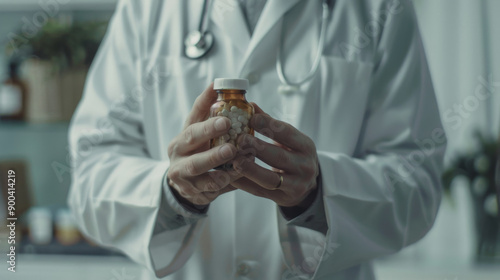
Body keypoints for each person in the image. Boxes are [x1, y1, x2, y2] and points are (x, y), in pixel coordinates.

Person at [68, 0, 446, 279]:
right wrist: (172, 193)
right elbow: (89, 174)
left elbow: (417, 181)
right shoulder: (146, 9)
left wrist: (316, 194)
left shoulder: (378, 9)